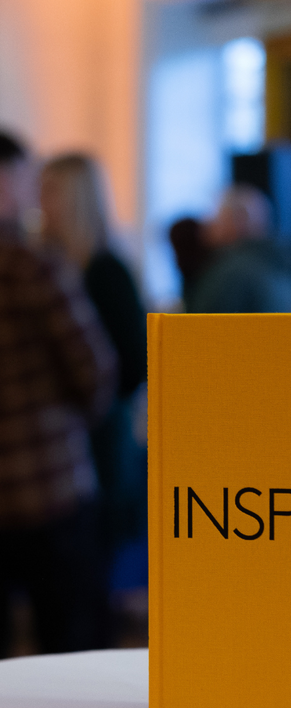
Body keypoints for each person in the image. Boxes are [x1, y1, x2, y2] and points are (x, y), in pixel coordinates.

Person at [0, 132, 117, 655]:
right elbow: (94, 369)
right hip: (50, 482)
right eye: (27, 179)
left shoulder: (81, 263)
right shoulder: (32, 264)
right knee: (73, 645)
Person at [40, 154, 148, 602]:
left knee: (93, 555)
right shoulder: (53, 263)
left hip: (101, 432)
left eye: (49, 191)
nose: (39, 202)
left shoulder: (105, 271)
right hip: (72, 433)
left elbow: (135, 361)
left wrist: (87, 396)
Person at [185, 184, 291, 314]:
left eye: (216, 216)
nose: (207, 223)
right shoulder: (279, 266)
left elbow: (202, 328)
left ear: (239, 220)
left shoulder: (232, 273)